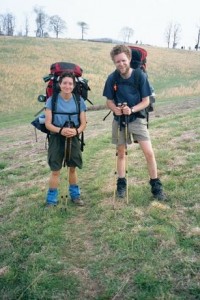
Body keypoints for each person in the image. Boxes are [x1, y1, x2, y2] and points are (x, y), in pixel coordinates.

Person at [103, 44, 167, 201]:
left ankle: (155, 185)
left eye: (124, 60)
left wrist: (131, 109)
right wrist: (115, 109)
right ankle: (121, 184)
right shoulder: (112, 78)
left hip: (137, 118)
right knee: (121, 153)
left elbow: (146, 101)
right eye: (117, 61)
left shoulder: (139, 76)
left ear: (129, 59)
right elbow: (109, 101)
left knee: (149, 152)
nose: (121, 64)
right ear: (114, 62)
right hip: (119, 120)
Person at [45, 72, 87, 206]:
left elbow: (83, 123)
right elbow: (48, 124)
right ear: (59, 84)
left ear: (74, 85)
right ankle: (51, 199)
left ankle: (75, 196)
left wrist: (76, 131)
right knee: (55, 170)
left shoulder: (79, 101)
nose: (67, 86)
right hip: (56, 137)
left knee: (73, 168)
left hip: (73, 137)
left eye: (70, 83)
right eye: (65, 83)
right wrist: (61, 130)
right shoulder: (52, 100)